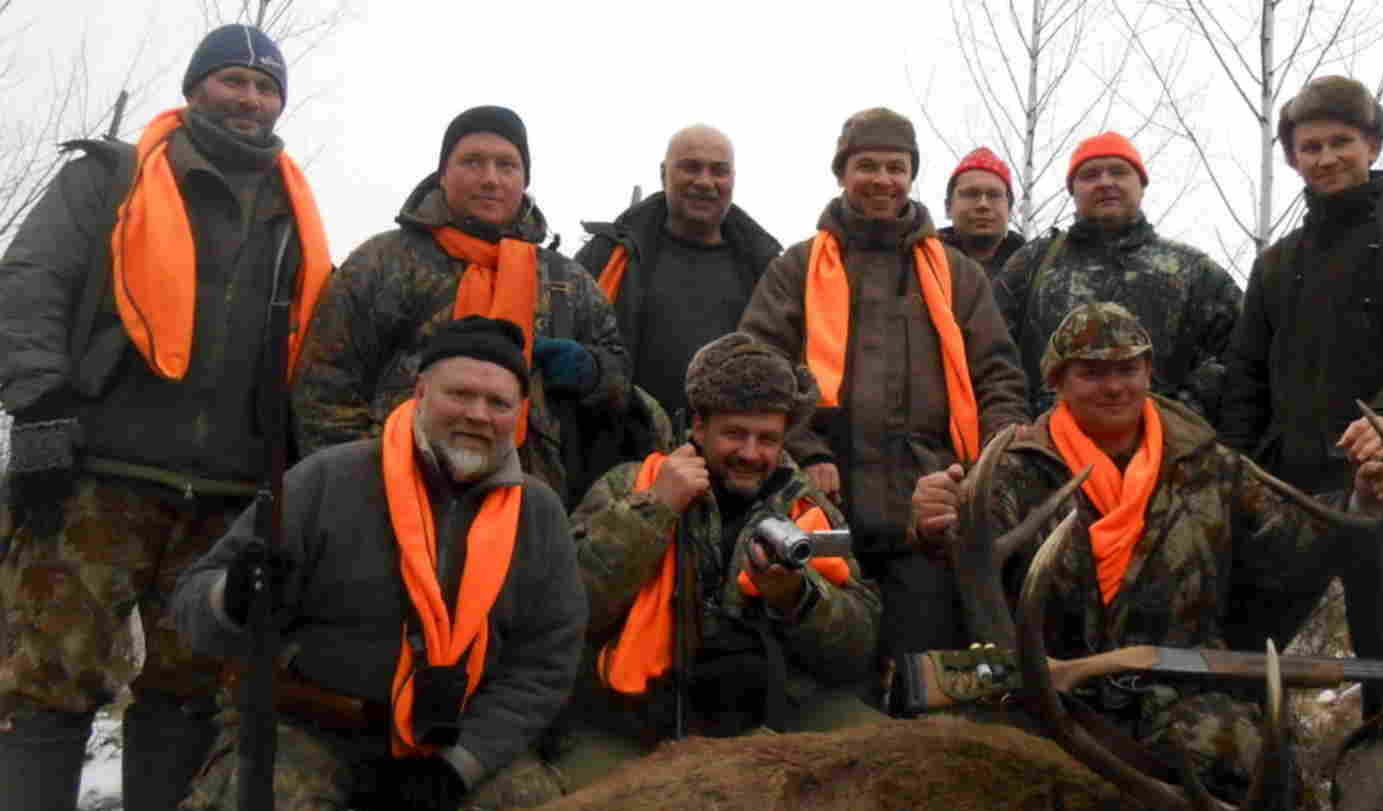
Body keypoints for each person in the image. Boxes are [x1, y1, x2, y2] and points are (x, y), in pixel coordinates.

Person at [0, 24, 331, 811]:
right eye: (233, 81)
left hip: (223, 493)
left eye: (266, 90)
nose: (250, 101)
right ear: (196, 87)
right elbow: (30, 280)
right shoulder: (109, 178)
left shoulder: (293, 216)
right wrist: (38, 408)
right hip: (95, 470)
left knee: (186, 685)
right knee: (50, 672)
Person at [174, 316, 583, 811]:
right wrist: (234, 598)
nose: (478, 416)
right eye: (459, 394)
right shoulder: (323, 479)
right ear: (419, 393)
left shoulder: (540, 514)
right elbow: (192, 604)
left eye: (498, 403)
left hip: (451, 741)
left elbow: (546, 663)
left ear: (519, 415)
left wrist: (458, 767)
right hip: (310, 725)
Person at [909, 303, 1365, 798]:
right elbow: (960, 545)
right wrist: (935, 520)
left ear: (1149, 373)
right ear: (1057, 382)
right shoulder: (1013, 472)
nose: (1114, 386)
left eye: (1128, 369)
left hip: (1184, 700)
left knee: (1255, 762)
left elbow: (1286, 545)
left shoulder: (1209, 464)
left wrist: (1360, 498)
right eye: (1091, 372)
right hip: (1050, 695)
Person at [1218, 76, 1383, 730]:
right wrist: (1233, 476)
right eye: (1310, 147)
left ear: (1373, 144)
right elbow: (1246, 378)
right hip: (1288, 492)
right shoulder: (1279, 263)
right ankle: (1250, 803)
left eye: (1341, 142)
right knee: (1244, 657)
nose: (1326, 158)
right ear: (1291, 158)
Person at [739, 107, 1028, 658]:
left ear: (912, 175)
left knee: (923, 672)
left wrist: (987, 471)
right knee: (823, 663)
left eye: (896, 166)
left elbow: (999, 377)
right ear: (842, 173)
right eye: (866, 165)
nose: (882, 179)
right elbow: (758, 369)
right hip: (819, 505)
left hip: (931, 519)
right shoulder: (796, 268)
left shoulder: (958, 274)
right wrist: (802, 446)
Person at [559, 334, 885, 787]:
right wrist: (655, 510)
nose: (752, 453)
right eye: (735, 434)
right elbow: (571, 608)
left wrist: (798, 601)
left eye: (768, 438)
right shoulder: (632, 485)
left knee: (885, 764)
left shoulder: (807, 509)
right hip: (634, 722)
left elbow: (859, 648)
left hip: (777, 720)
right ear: (698, 426)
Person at [292, 105, 637, 507]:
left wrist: (593, 372)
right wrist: (359, 485)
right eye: (472, 161)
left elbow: (622, 383)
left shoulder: (567, 281)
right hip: (391, 496)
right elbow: (323, 386)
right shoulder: (384, 261)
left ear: (524, 180)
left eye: (506, 165)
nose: (490, 178)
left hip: (525, 503)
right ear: (443, 173)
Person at [995, 131, 1241, 421]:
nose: (1105, 182)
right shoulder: (1032, 263)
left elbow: (1238, 354)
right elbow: (993, 357)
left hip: (1163, 453)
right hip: (1049, 448)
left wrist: (1175, 414)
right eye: (1090, 175)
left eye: (1119, 171)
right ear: (1072, 190)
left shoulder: (1192, 270)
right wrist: (1015, 424)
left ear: (1142, 185)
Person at [576, 123, 782, 424]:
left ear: (732, 179)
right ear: (663, 174)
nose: (704, 181)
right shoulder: (608, 256)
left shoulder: (767, 269)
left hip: (733, 455)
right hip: (622, 451)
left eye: (718, 171)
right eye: (691, 167)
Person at [938, 145, 1026, 277]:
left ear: (1010, 210)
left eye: (994, 195)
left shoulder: (1035, 272)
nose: (983, 204)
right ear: (948, 207)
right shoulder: (918, 264)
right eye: (971, 194)